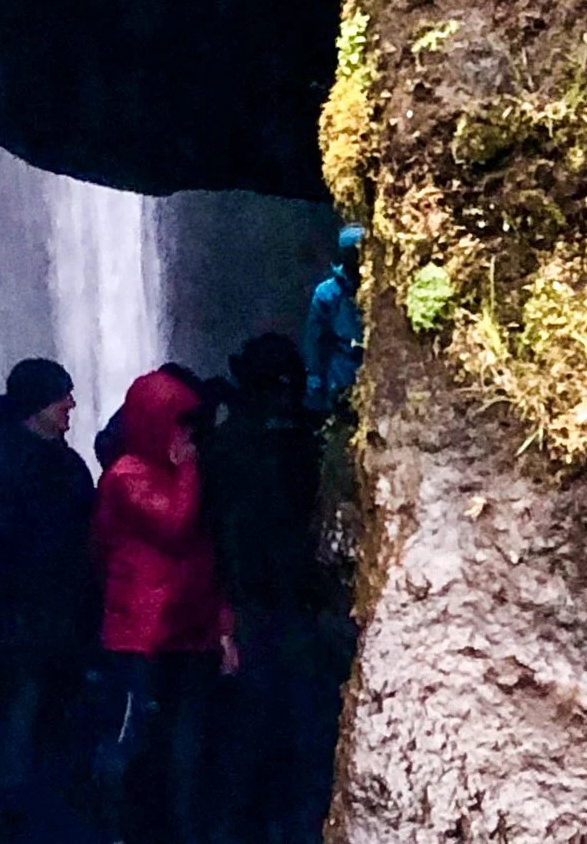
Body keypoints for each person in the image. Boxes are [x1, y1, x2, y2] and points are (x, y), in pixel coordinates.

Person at [0, 356, 98, 843]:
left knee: (62, 765)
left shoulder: (69, 468)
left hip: (67, 647)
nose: (71, 405)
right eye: (62, 395)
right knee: (11, 764)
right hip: (17, 652)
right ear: (35, 404)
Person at [89, 369, 233, 844]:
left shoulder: (165, 473)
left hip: (188, 631)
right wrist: (190, 467)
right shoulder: (125, 476)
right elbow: (174, 523)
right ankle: (123, 831)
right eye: (180, 423)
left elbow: (207, 554)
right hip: (142, 636)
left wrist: (223, 627)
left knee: (187, 748)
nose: (188, 434)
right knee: (135, 743)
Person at [202, 333, 331, 844]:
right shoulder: (297, 442)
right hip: (280, 604)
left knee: (256, 739)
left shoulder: (228, 447)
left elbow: (212, 527)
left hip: (257, 604)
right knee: (289, 737)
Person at [304, 228, 365, 418]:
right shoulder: (327, 292)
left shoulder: (378, 286)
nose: (356, 258)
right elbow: (315, 338)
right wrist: (314, 376)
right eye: (351, 253)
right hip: (343, 366)